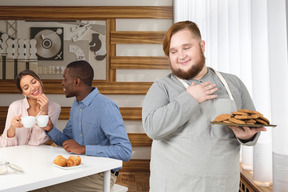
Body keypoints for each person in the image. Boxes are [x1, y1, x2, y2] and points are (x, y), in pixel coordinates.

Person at [142, 21, 267, 192]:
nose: (181, 56)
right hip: (173, 186)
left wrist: (246, 136)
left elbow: (251, 122)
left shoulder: (233, 84)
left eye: (186, 48)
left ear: (202, 46)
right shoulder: (161, 87)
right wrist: (190, 99)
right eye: (173, 51)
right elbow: (153, 128)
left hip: (223, 186)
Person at [38, 60, 132, 192]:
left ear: (77, 81)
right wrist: (50, 128)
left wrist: (84, 149)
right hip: (80, 169)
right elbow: (68, 142)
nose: (62, 83)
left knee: (41, 187)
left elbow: (125, 151)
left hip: (102, 176)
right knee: (38, 178)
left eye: (65, 78)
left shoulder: (106, 107)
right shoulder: (76, 105)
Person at [0, 69, 61, 147]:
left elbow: (36, 141)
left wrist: (44, 112)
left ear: (40, 82)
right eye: (26, 88)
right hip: (14, 155)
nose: (33, 88)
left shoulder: (55, 108)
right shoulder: (15, 107)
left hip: (37, 155)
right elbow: (5, 145)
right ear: (23, 93)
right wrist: (12, 128)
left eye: (34, 82)